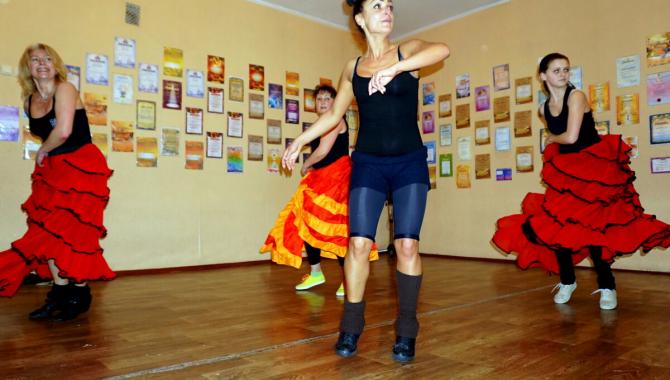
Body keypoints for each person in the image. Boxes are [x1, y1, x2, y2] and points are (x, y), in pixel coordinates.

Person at [282, 0, 449, 362]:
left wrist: (397, 68)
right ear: (360, 18)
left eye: (390, 5)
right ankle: (351, 326)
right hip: (369, 163)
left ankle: (406, 329)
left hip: (409, 163)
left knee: (406, 247)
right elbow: (334, 113)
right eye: (377, 5)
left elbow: (443, 49)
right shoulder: (353, 68)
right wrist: (300, 140)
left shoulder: (408, 51)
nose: (387, 10)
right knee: (357, 244)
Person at [493, 52, 670, 310]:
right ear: (543, 76)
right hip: (566, 174)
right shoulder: (542, 108)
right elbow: (561, 137)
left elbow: (571, 137)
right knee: (560, 229)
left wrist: (552, 139)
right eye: (556, 70)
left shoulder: (576, 97)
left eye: (566, 69)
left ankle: (607, 286)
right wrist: (555, 140)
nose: (563, 74)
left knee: (595, 230)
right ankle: (567, 281)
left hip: (593, 172)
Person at [0, 43, 115, 321]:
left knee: (74, 234)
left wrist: (42, 150)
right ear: (28, 68)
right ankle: (59, 293)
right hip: (53, 172)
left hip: (81, 167)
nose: (42, 63)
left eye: (47, 58)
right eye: (35, 59)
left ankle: (79, 293)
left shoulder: (66, 89)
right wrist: (46, 156)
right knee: (48, 233)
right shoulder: (29, 100)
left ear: (56, 64)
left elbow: (63, 131)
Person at [261, 85, 378, 296]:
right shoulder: (320, 123)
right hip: (321, 178)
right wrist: (312, 167)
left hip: (337, 178)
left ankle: (347, 278)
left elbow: (323, 150)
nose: (323, 102)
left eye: (327, 98)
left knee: (338, 228)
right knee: (305, 219)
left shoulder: (337, 120)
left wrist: (306, 165)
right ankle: (315, 272)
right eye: (319, 99)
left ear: (335, 102)